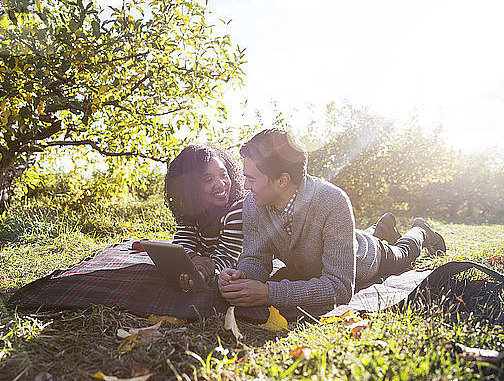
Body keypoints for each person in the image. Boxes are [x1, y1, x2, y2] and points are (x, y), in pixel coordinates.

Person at [218, 129, 446, 308]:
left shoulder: (333, 200)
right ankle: (382, 225)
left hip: (368, 259)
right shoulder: (252, 204)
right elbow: (255, 259)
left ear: (282, 180)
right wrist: (241, 277)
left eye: (251, 179)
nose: (246, 186)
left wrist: (269, 293)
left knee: (403, 253)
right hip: (343, 241)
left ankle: (420, 231)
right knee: (354, 236)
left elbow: (339, 288)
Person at [165, 144, 246, 291]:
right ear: (191, 187)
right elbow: (183, 244)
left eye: (223, 174)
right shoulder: (192, 209)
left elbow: (228, 257)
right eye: (208, 179)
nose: (220, 184)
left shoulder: (238, 208)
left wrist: (203, 273)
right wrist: (195, 260)